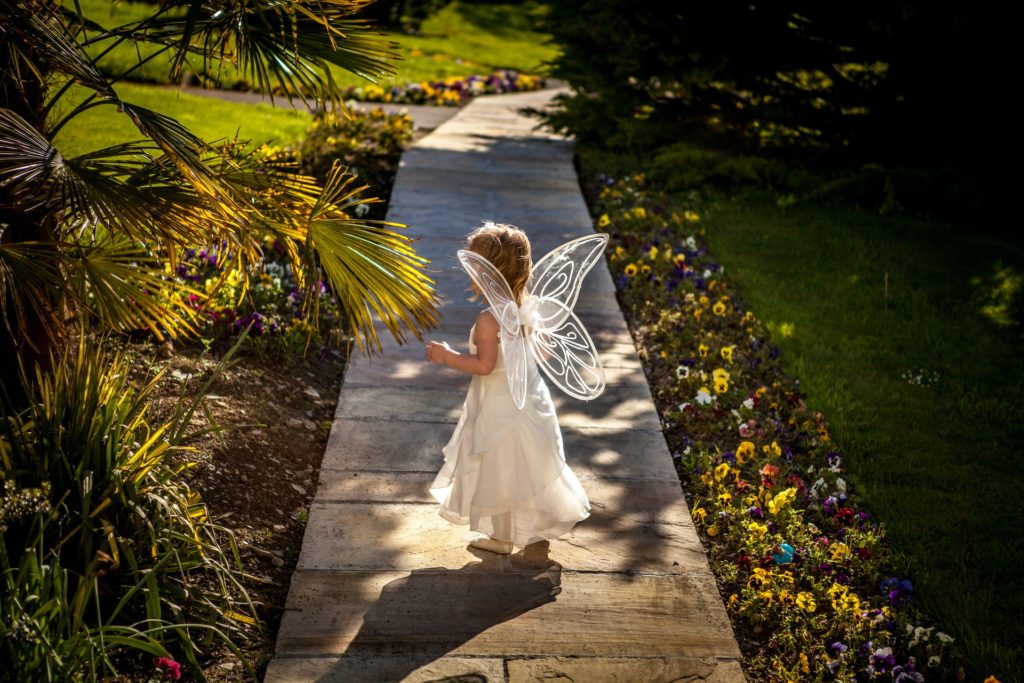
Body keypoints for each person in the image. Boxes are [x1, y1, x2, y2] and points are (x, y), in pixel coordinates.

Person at [425, 222, 592, 555]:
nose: (470, 274)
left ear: (490, 273)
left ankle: (503, 537)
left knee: (500, 468)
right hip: (532, 400)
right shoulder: (529, 309)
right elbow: (542, 352)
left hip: (500, 405)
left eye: (474, 267)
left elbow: (484, 366)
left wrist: (447, 356)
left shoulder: (490, 319)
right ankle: (541, 522)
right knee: (531, 464)